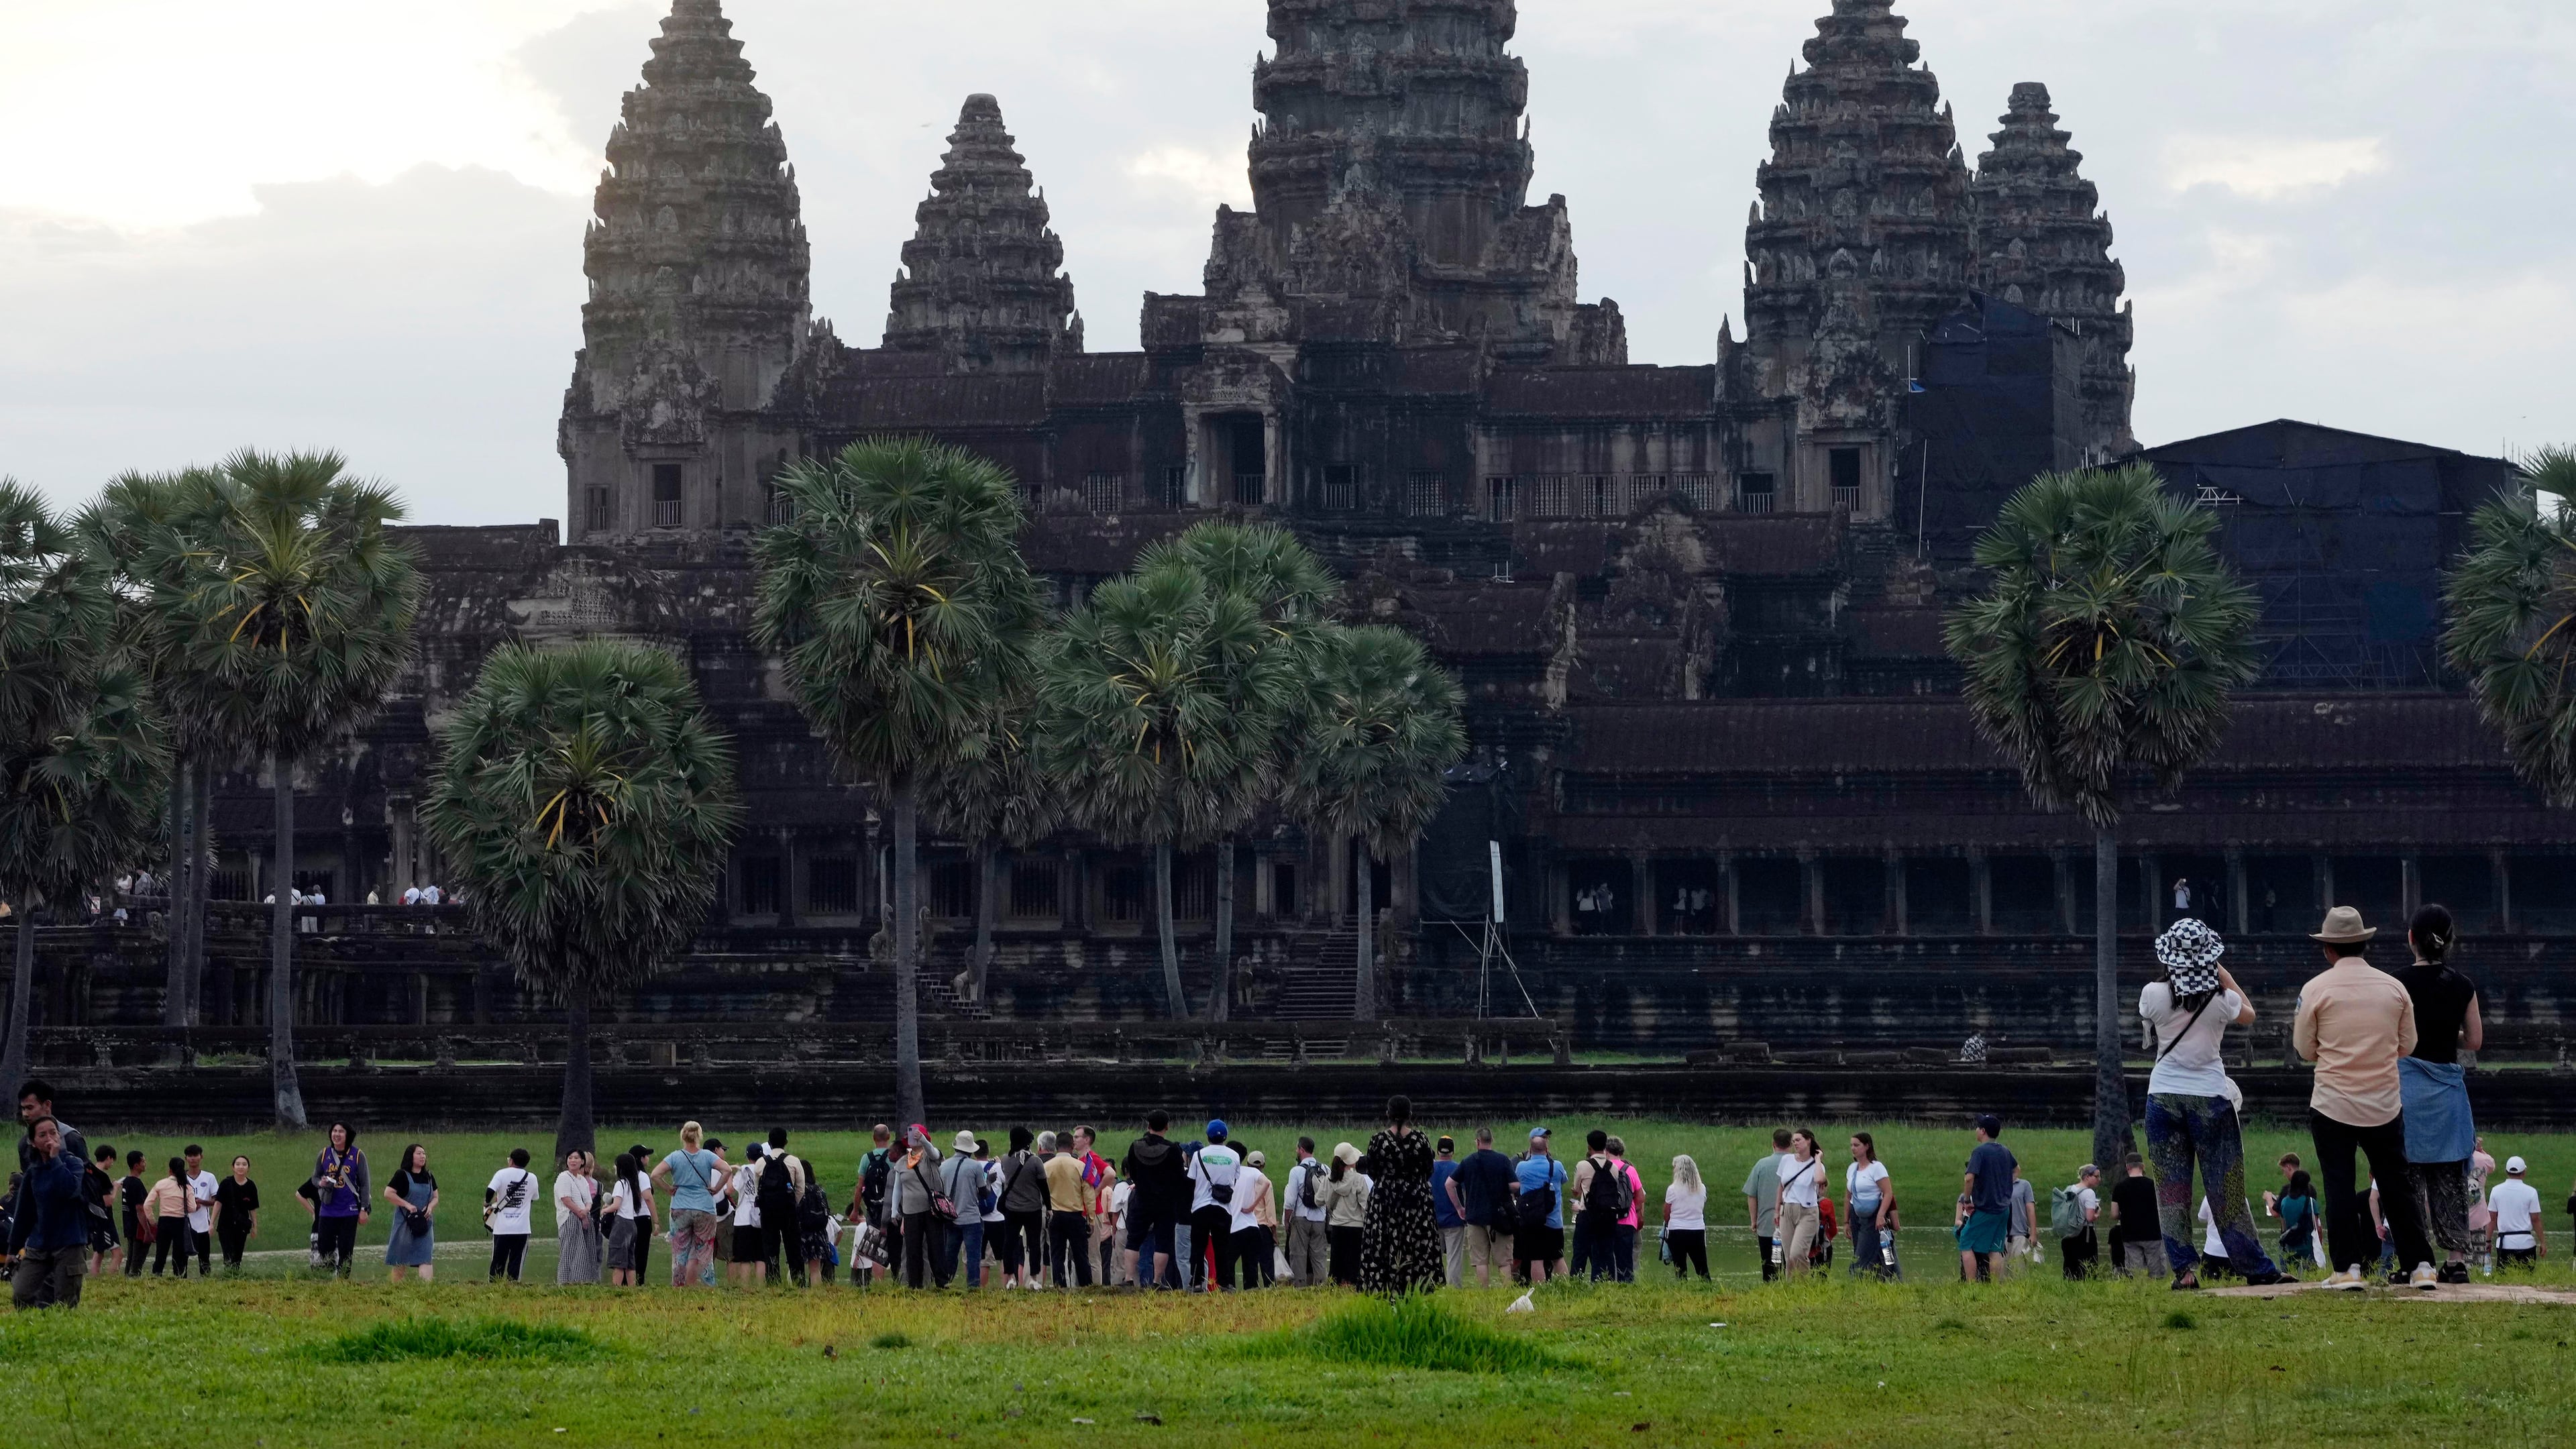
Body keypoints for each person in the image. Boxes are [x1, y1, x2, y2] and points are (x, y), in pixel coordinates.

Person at [2294, 906, 2437, 1290]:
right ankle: (2421, 1265)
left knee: (2339, 1184)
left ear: (2328, 950)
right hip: (2384, 1102)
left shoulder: (2315, 989)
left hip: (2333, 1103)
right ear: (2365, 944)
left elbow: (2306, 1049)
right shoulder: (2394, 988)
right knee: (2396, 1184)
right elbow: (2407, 1046)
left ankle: (2347, 1269)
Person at [2141, 918, 2286, 1289]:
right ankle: (2255, 1267)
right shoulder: (2223, 1000)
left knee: (2171, 1190)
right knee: (2227, 1188)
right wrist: (2222, 973)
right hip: (2210, 1095)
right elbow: (2250, 1015)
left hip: (2164, 1095)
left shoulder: (2153, 994)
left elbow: (2153, 1016)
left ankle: (2185, 1272)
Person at [2393, 904, 2483, 1284]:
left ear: (2411, 939)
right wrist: (2449, 1034)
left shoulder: (2395, 983)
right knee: (2449, 1179)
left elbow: (2391, 1037)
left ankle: (2417, 1263)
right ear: (2448, 941)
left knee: (2408, 1181)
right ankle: (2456, 1261)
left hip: (2407, 1091)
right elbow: (2475, 1041)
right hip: (2446, 1093)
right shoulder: (2462, 985)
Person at [1357, 1096, 1440, 1295]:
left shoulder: (1378, 1141)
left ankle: (1382, 1286)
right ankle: (1418, 1286)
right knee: (1416, 1244)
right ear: (1410, 1115)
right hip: (1416, 1201)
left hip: (1385, 1200)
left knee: (1383, 1244)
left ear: (1388, 1114)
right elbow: (1429, 1169)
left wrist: (1391, 1182)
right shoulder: (1421, 1140)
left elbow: (1373, 1171)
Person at [8, 1116, 87, 1309]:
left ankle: (61, 1335)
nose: (49, 1138)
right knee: (21, 1293)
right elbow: (24, 1215)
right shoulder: (32, 1173)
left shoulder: (74, 1164)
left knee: (65, 1302)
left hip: (69, 1243)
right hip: (39, 1244)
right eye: (42, 1135)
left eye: (53, 1132)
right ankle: (33, 1331)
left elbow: (69, 1189)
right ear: (33, 1142)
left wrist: (55, 1160)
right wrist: (13, 1249)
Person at [11, 1081, 87, 1269]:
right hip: (40, 1231)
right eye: (23, 1109)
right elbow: (29, 1193)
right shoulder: (25, 1145)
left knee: (62, 1290)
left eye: (30, 1107)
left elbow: (84, 1186)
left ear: (47, 1106)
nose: (25, 1114)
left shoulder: (71, 1139)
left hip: (69, 1228)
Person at [1119, 1111, 1188, 1291]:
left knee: (1133, 1240)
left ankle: (1128, 1279)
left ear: (1147, 1126)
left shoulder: (1135, 1147)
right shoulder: (1172, 1149)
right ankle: (1157, 1281)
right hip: (1165, 1202)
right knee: (1163, 1242)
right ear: (1167, 1126)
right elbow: (1180, 1177)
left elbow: (1132, 1172)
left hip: (1141, 1198)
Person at [653, 1122, 722, 1289]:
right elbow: (726, 1170)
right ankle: (708, 1286)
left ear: (683, 1136)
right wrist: (716, 1188)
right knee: (705, 1251)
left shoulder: (675, 1157)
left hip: (680, 1206)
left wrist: (669, 1189)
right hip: (705, 1207)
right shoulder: (708, 1156)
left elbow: (655, 1174)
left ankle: (678, 1286)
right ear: (700, 1136)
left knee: (679, 1251)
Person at [1449, 1127, 1515, 1288]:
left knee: (1480, 1260)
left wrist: (1459, 1207)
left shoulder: (1468, 1161)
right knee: (1504, 1260)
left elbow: (1449, 1184)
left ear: (1477, 1142)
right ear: (1491, 1140)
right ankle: (1507, 1292)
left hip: (1475, 1216)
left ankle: (1483, 1292)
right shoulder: (1503, 1160)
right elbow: (1515, 1185)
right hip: (1499, 1218)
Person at [1187, 1121, 1243, 1292]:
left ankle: (1196, 1283)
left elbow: (1192, 1180)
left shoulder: (1198, 1155)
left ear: (1208, 1136)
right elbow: (1234, 1180)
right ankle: (1224, 1283)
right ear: (1225, 1137)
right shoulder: (1234, 1156)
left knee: (1198, 1246)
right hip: (1223, 1208)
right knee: (1222, 1247)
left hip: (1200, 1207)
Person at [1957, 1116, 2015, 1283]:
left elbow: (1969, 1178)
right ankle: (1995, 1284)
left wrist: (1967, 1200)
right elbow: (2016, 1170)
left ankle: (1971, 1284)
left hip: (1984, 1208)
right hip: (2003, 1209)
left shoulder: (1980, 1151)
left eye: (1977, 1127)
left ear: (1983, 1131)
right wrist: (2002, 1187)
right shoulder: (2005, 1150)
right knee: (1995, 1247)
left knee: (1966, 1242)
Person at [893, 1125, 949, 1290]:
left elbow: (934, 1153)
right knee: (913, 1248)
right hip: (911, 1211)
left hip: (931, 1209)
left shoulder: (930, 1157)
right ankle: (914, 1284)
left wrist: (923, 1140)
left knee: (935, 1246)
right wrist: (894, 1210)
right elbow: (898, 1187)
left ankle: (942, 1282)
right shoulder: (903, 1162)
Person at [754, 1128, 811, 1286]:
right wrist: (794, 1204)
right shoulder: (793, 1161)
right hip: (788, 1211)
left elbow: (757, 1189)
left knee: (770, 1246)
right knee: (793, 1247)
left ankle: (773, 1281)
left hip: (768, 1212)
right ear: (786, 1142)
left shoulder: (760, 1163)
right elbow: (800, 1189)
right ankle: (799, 1281)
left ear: (769, 1143)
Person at [311, 1122, 368, 1277]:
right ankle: (329, 1277)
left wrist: (364, 1209)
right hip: (328, 1209)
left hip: (349, 1210)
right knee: (324, 1247)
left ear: (347, 1135)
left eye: (341, 1132)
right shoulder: (324, 1154)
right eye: (334, 1131)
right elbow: (314, 1177)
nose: (337, 1134)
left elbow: (365, 1184)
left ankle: (343, 1280)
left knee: (346, 1249)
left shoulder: (357, 1155)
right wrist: (320, 1183)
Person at [994, 1126, 1046, 1289]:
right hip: (1033, 1209)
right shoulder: (1036, 1161)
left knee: (1009, 1243)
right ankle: (1033, 1278)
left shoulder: (1005, 1160)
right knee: (1034, 1244)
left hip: (1012, 1208)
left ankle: (1010, 1278)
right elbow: (1044, 1187)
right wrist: (1049, 1207)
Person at [1513, 1127, 1567, 1285]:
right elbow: (1564, 1180)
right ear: (1547, 1148)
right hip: (1553, 1220)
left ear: (1530, 1148)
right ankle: (1567, 1288)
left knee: (1536, 1259)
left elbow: (1518, 1182)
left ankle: (1541, 1290)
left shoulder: (1522, 1167)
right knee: (1558, 1257)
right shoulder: (1556, 1166)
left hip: (1531, 1221)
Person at [936, 1129, 988, 1289]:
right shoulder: (975, 1167)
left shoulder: (943, 1166)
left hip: (950, 1218)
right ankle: (973, 1285)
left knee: (950, 1253)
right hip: (971, 1217)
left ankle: (945, 1282)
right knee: (973, 1256)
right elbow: (984, 1193)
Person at [1770, 1128, 1824, 1279]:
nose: (1795, 1144)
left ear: (1808, 1141)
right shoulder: (1787, 1160)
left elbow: (1820, 1180)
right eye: (1793, 1141)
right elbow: (1781, 1185)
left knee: (1798, 1253)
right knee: (1789, 1256)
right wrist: (1777, 1210)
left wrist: (1818, 1158)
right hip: (1787, 1210)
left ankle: (1804, 1284)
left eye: (1798, 1140)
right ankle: (1791, 1287)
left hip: (1807, 1211)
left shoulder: (1816, 1164)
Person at [1042, 1130, 1095, 1288]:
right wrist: (1091, 1219)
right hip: (1075, 1216)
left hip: (1055, 1216)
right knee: (1081, 1255)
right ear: (1072, 1146)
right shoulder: (1081, 1166)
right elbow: (1089, 1195)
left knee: (1057, 1255)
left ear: (1057, 1146)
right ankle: (1087, 1286)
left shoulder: (1046, 1167)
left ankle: (1060, 1286)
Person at [383, 1143, 437, 1283]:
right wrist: (407, 1205)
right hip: (405, 1222)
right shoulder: (402, 1175)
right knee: (401, 1259)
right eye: (419, 1153)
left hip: (424, 1223)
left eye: (424, 1153)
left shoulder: (429, 1176)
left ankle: (427, 1289)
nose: (422, 1156)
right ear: (410, 1156)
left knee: (425, 1256)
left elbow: (436, 1197)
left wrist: (430, 1207)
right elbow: (388, 1193)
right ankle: (396, 1290)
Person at [484, 1147, 539, 1282]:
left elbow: (490, 1190)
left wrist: (487, 1202)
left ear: (511, 1160)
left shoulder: (501, 1174)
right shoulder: (531, 1178)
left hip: (502, 1228)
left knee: (498, 1260)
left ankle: (494, 1286)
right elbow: (534, 1198)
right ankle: (513, 1286)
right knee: (517, 1261)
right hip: (522, 1228)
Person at [2106, 1155, 2165, 1278]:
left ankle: (2140, 1292)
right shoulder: (2153, 1185)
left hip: (2130, 1235)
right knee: (2156, 1273)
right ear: (2143, 1166)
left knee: (2137, 1273)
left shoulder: (2120, 1187)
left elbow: (2114, 1214)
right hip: (2152, 1234)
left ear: (2127, 1167)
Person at [1281, 1136, 1329, 1288]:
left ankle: (1300, 1287)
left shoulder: (1296, 1171)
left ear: (1301, 1149)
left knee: (1298, 1255)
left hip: (1301, 1219)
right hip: (1320, 1219)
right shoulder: (1325, 1169)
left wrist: (1287, 1221)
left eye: (1297, 1149)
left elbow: (1290, 1201)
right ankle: (1322, 1285)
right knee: (1319, 1256)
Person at [1743, 1128, 1790, 1281]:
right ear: (1791, 1144)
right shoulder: (1797, 1164)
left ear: (1773, 1144)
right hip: (1793, 1222)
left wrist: (1754, 1220)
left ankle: (1771, 1288)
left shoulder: (1761, 1165)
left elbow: (1752, 1195)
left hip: (1767, 1225)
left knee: (1770, 1264)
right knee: (1789, 1261)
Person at [851, 1124, 895, 1287]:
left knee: (878, 1246)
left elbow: (860, 1186)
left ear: (873, 1138)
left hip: (874, 1209)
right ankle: (897, 1280)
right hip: (892, 1207)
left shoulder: (866, 1158)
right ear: (889, 1137)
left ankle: (878, 1284)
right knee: (896, 1245)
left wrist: (856, 1209)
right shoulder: (894, 1156)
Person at [1321, 1142, 1370, 1287]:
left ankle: (1334, 1291)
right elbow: (1365, 1206)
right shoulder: (1359, 1179)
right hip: (1356, 1227)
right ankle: (1351, 1290)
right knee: (1353, 1265)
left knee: (1336, 1265)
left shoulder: (1330, 1179)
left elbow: (1319, 1200)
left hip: (1337, 1226)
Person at [1844, 1134, 1892, 1279]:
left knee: (1863, 1252)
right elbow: (1848, 1196)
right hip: (1856, 1212)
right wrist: (1846, 1221)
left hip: (1872, 1214)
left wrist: (1881, 1215)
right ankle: (1871, 1278)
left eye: (1857, 1145)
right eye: (1852, 1145)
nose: (1853, 1148)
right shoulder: (1852, 1168)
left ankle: (1857, 1278)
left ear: (1867, 1146)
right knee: (1859, 1248)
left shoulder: (1876, 1168)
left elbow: (1888, 1193)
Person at [1228, 1147, 1276, 1289]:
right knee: (1262, 1262)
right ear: (1263, 1165)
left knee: (1231, 1262)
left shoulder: (1236, 1176)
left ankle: (1229, 1290)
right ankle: (1266, 1288)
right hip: (1259, 1227)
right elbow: (1271, 1210)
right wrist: (1274, 1231)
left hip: (1236, 1227)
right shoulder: (1261, 1178)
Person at [2487, 1157, 2544, 1270]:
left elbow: (2492, 1219)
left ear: (2506, 1172)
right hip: (2527, 1244)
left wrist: (2488, 1241)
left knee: (2504, 1279)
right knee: (2527, 1278)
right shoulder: (2531, 1192)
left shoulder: (2496, 1190)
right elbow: (2535, 1219)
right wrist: (2543, 1242)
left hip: (2505, 1245)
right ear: (2524, 1173)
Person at [555, 1150, 601, 1285]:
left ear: (582, 1162)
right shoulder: (563, 1177)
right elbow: (566, 1199)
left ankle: (585, 1281)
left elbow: (589, 1200)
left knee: (586, 1251)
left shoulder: (581, 1180)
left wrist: (585, 1211)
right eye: (570, 1158)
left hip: (584, 1217)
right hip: (570, 1218)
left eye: (576, 1158)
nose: (573, 1161)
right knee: (570, 1250)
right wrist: (580, 1213)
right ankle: (566, 1281)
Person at [145, 1156, 195, 1277]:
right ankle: (179, 1277)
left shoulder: (161, 1184)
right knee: (179, 1254)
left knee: (161, 1253)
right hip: (180, 1222)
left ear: (170, 1170)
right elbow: (192, 1207)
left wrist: (152, 1221)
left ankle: (156, 1276)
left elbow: (147, 1205)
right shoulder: (186, 1187)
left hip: (164, 1222)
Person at [1664, 1154, 1710, 1281]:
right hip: (1697, 1230)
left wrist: (1669, 1222)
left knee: (1680, 1267)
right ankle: (1708, 1289)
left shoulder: (1672, 1189)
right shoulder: (1702, 1188)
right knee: (1702, 1266)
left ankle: (1682, 1292)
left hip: (1677, 1230)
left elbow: (1667, 1212)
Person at [1606, 1136, 1646, 1282]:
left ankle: (1607, 1287)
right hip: (1627, 1222)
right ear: (1621, 1152)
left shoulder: (1602, 1167)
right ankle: (1627, 1287)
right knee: (1626, 1261)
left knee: (1606, 1258)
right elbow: (1641, 1197)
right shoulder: (1630, 1170)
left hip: (1606, 1221)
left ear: (1606, 1150)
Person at [604, 1152, 646, 1287]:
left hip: (621, 1224)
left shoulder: (620, 1184)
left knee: (618, 1261)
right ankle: (632, 1288)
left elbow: (616, 1205)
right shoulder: (633, 1184)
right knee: (629, 1261)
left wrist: (604, 1210)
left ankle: (617, 1290)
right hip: (632, 1224)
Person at [213, 1155, 259, 1272]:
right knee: (228, 1254)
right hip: (225, 1225)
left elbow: (252, 1208)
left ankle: (236, 1276)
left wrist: (255, 1227)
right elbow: (218, 1203)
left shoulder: (251, 1186)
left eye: (244, 1165)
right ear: (233, 1167)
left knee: (238, 1255)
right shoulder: (226, 1183)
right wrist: (211, 1223)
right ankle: (228, 1276)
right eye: (238, 1164)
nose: (241, 1167)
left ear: (248, 1168)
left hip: (242, 1226)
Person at [2055, 1165, 2102, 1279]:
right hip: (2084, 1233)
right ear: (2086, 1177)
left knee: (2070, 1267)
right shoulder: (2089, 1193)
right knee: (2088, 1268)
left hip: (2068, 1233)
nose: (2099, 1179)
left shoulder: (2069, 1189)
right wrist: (2098, 1213)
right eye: (2096, 1176)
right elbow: (2090, 1217)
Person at [1430, 1135, 1464, 1288]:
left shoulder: (1429, 1169)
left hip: (1432, 1220)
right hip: (1454, 1220)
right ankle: (1454, 1288)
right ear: (1453, 1152)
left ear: (1438, 1152)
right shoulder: (1458, 1168)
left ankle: (1433, 1285)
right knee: (1454, 1257)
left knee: (1433, 1257)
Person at [181, 1144, 218, 1277]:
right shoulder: (181, 1178)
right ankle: (181, 1283)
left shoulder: (209, 1177)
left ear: (201, 1157)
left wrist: (201, 1202)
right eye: (190, 1156)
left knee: (204, 1259)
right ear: (186, 1158)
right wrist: (189, 1204)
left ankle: (206, 1284)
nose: (193, 1159)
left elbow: (216, 1201)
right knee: (182, 1259)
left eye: (195, 1155)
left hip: (203, 1225)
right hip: (185, 1224)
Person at [85, 1144, 119, 1276]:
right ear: (109, 1158)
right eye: (112, 1160)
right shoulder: (102, 1176)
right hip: (104, 1219)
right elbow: (108, 1202)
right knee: (118, 1254)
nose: (112, 1164)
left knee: (99, 1252)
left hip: (93, 1217)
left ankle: (95, 1279)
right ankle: (110, 1281)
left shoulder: (90, 1173)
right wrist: (115, 1188)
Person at [2277, 1169, 2320, 1271]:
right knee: (2311, 1274)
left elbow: (2284, 1226)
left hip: (2290, 1245)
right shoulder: (2310, 1202)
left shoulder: (2284, 1202)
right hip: (2307, 1245)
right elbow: (2317, 1226)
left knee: (2291, 1274)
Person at [117, 1150, 149, 1277]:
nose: (145, 1164)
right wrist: (147, 1229)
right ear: (136, 1165)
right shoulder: (136, 1183)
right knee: (137, 1261)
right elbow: (139, 1208)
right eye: (143, 1161)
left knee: (131, 1258)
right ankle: (133, 1282)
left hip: (129, 1224)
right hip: (137, 1227)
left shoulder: (126, 1181)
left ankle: (127, 1281)